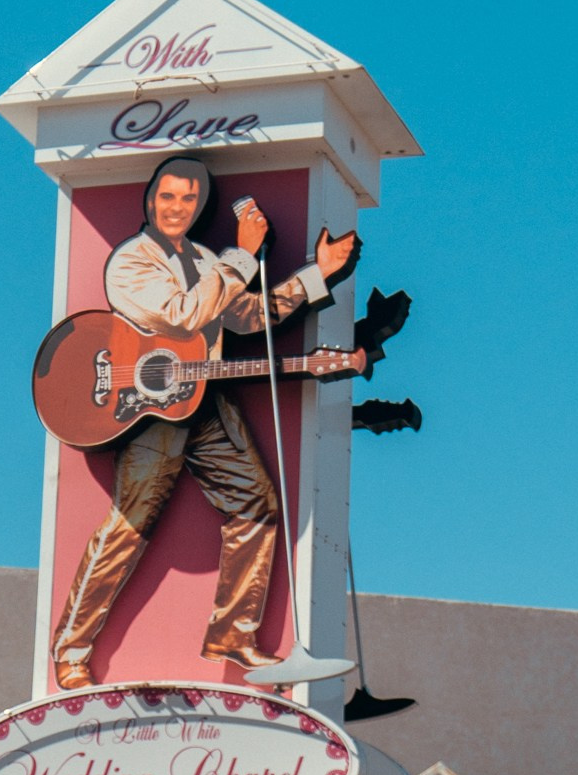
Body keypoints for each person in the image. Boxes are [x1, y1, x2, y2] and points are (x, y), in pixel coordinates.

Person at [49, 154, 358, 689]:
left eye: (188, 199)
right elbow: (184, 315)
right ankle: (72, 649)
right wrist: (240, 253)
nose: (177, 207)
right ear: (150, 199)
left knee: (257, 506)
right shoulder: (131, 261)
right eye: (168, 196)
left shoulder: (204, 259)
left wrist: (316, 275)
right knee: (128, 527)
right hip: (149, 410)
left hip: (205, 401)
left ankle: (233, 635)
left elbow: (247, 319)